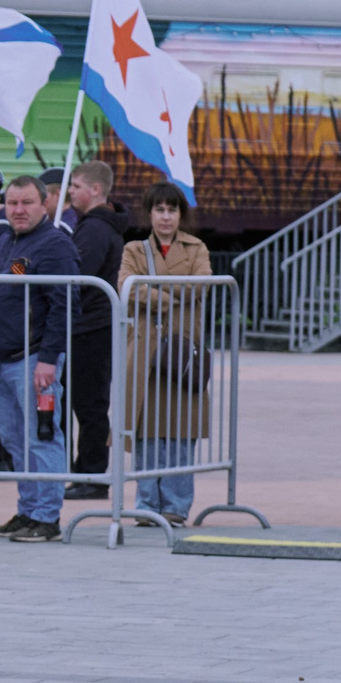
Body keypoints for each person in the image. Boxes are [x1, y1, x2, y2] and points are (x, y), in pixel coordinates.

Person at [0, 175, 76, 542]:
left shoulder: (55, 246)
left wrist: (50, 360)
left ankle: (47, 517)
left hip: (33, 359)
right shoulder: (4, 239)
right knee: (14, 438)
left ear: (45, 204)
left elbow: (65, 305)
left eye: (27, 203)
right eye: (13, 203)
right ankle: (28, 509)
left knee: (42, 437)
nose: (18, 210)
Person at [117, 182, 211, 528]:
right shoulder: (134, 249)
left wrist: (154, 290)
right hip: (144, 351)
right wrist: (167, 298)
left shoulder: (196, 247)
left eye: (172, 210)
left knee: (181, 429)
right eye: (159, 209)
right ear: (150, 213)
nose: (166, 216)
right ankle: (146, 504)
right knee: (146, 431)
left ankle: (176, 505)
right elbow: (126, 285)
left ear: (181, 214)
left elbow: (203, 283)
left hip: (182, 349)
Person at [58, 161, 126, 500]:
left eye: (75, 185)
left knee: (89, 406)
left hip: (89, 327)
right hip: (89, 326)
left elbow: (79, 273)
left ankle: (91, 475)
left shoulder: (95, 229)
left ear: (95, 189)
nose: (70, 191)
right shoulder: (94, 226)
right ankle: (85, 470)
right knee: (87, 404)